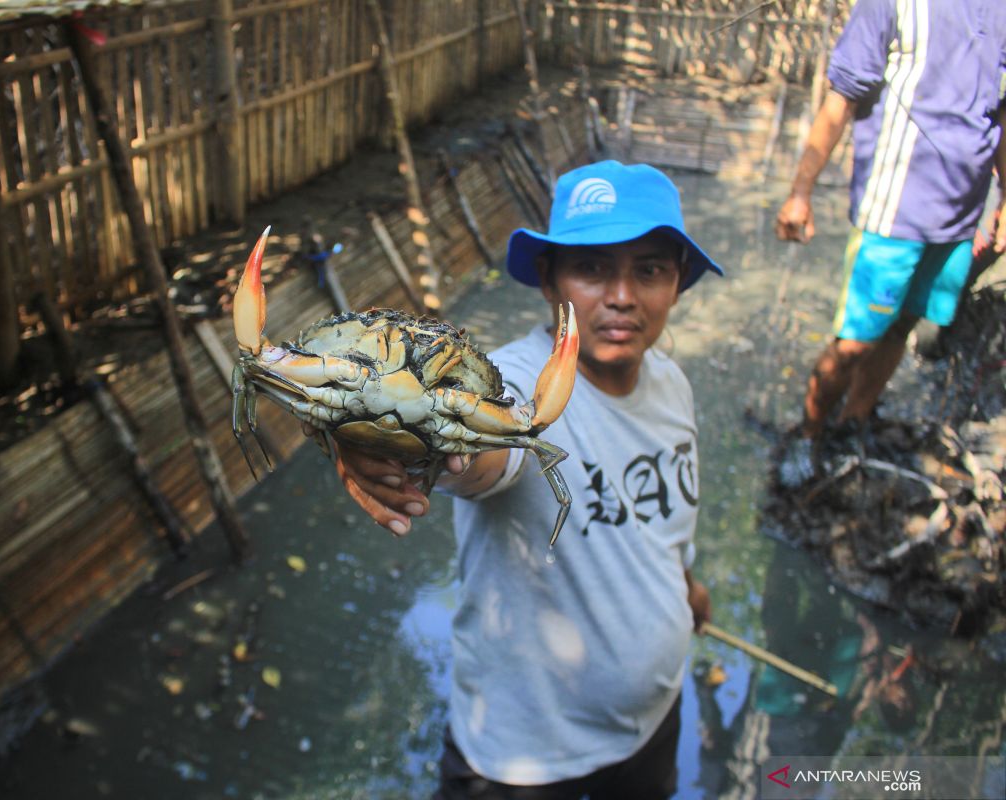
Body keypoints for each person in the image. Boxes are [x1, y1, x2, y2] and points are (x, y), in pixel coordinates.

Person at [332, 160, 724, 799]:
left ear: (678, 282)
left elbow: (660, 522)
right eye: (592, 268)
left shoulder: (671, 384)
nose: (622, 295)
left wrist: (683, 587)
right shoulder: (516, 387)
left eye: (649, 269)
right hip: (525, 760)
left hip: (651, 725)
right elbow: (482, 447)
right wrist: (400, 441)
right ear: (549, 280)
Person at [775, 0, 1006, 482]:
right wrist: (800, 192)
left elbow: (999, 115)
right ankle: (809, 434)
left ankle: (853, 422)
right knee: (856, 341)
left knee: (903, 325)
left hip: (959, 219)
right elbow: (840, 99)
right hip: (894, 214)